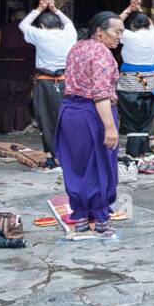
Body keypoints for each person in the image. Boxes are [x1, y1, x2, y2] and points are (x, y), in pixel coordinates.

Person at [56, 12, 125, 236]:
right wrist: (110, 127)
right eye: (117, 32)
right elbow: (100, 94)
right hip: (93, 113)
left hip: (69, 113)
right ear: (100, 32)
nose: (119, 37)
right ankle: (101, 217)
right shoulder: (102, 54)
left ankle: (82, 216)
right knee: (99, 165)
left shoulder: (77, 47)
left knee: (77, 164)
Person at [19, 0, 77, 166]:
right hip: (66, 81)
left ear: (42, 26)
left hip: (45, 83)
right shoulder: (69, 34)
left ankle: (52, 158)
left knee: (46, 120)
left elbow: (22, 24)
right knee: (65, 118)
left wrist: (40, 7)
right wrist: (55, 9)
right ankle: (66, 156)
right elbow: (69, 23)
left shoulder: (41, 35)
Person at [116, 0, 154, 137]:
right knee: (146, 117)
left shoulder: (129, 36)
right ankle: (142, 142)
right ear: (147, 25)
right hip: (150, 84)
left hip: (130, 84)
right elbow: (150, 24)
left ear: (132, 26)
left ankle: (132, 140)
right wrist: (139, 9)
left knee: (130, 116)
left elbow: (112, 26)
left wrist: (129, 9)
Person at [0, 6, 34, 134]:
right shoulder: (31, 31)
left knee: (6, 100)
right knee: (21, 100)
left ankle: (6, 128)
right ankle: (19, 127)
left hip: (4, 69)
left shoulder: (4, 29)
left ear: (12, 18)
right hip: (24, 70)